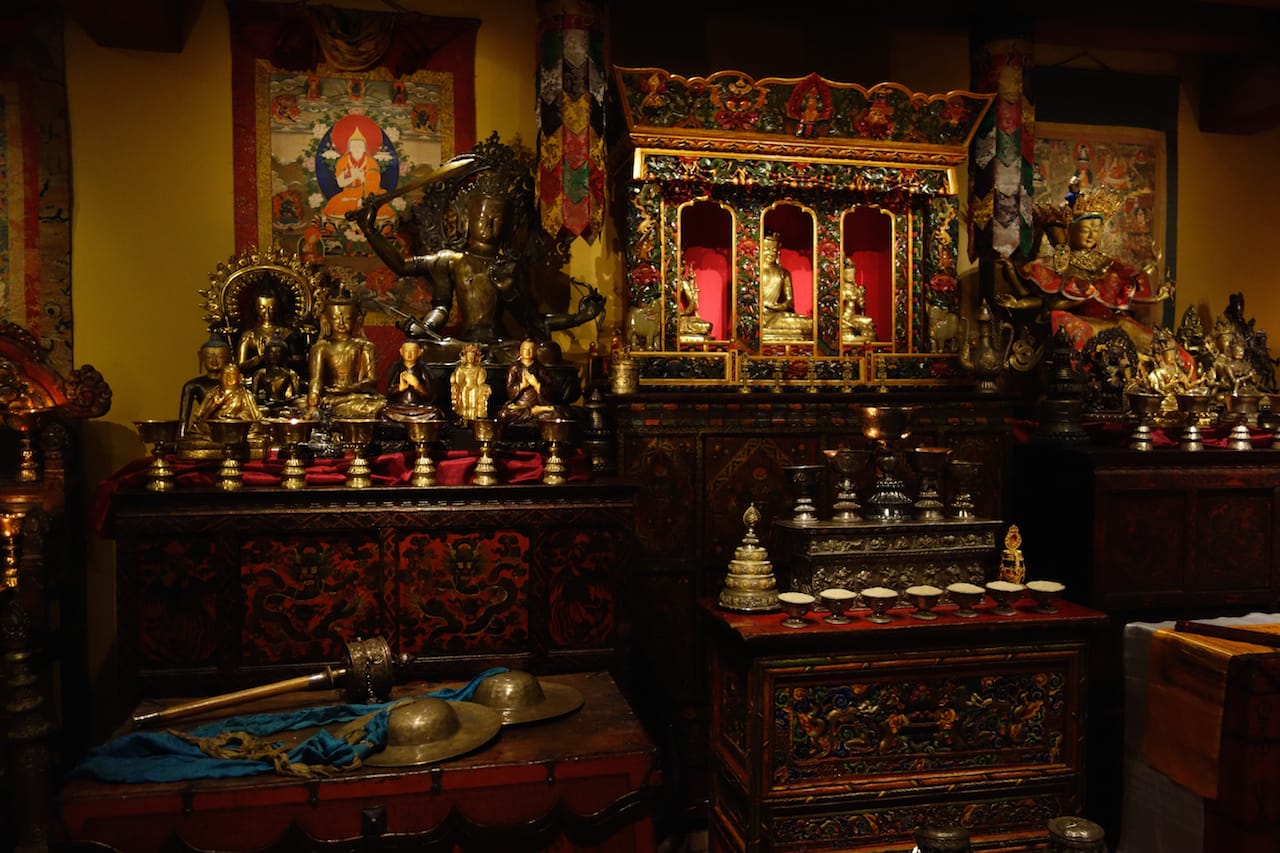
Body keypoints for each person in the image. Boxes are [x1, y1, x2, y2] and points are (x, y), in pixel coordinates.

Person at [350, 141, 605, 348]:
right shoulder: (450, 260)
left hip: (502, 346)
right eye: (483, 217)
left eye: (497, 218)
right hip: (461, 345)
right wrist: (370, 231)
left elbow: (531, 320)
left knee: (546, 353)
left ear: (508, 224)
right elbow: (420, 284)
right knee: (422, 352)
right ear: (464, 219)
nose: (490, 223)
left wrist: (578, 318)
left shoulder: (509, 266)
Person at [998, 185, 1185, 373]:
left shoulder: (1110, 265)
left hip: (1112, 321)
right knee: (1077, 334)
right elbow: (1044, 300)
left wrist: (1158, 296)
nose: (1091, 235)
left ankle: (1169, 373)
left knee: (1154, 343)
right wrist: (1019, 301)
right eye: (1085, 229)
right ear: (1070, 230)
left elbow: (1129, 293)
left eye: (1096, 229)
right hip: (1080, 321)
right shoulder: (1056, 264)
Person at [306, 293, 386, 418]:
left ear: (357, 320)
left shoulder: (365, 346)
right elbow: (316, 380)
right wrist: (314, 395)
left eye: (347, 318)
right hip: (330, 398)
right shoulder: (321, 347)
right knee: (299, 404)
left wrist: (350, 389)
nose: (341, 323)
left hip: (356, 398)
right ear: (326, 320)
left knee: (380, 405)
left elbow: (371, 380)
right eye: (335, 318)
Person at [320, 118, 393, 226]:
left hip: (367, 197)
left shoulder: (371, 162)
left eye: (360, 145)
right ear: (349, 147)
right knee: (334, 209)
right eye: (354, 145)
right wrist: (353, 177)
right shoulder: (343, 161)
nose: (357, 148)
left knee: (381, 212)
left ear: (365, 148)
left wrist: (362, 179)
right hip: (347, 196)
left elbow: (374, 185)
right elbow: (340, 183)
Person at [498, 339, 566, 428]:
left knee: (557, 414)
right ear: (520, 351)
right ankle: (533, 411)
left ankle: (538, 410)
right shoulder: (514, 368)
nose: (528, 352)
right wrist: (522, 385)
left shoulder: (540, 368)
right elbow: (509, 390)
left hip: (537, 404)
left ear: (535, 352)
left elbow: (550, 390)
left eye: (531, 349)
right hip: (520, 405)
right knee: (503, 414)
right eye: (525, 349)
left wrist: (537, 384)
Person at [759, 233, 812, 342]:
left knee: (811, 323)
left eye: (773, 250)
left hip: (778, 314)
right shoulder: (754, 272)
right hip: (761, 317)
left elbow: (790, 301)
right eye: (766, 249)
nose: (770, 253)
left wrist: (781, 306)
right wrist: (765, 304)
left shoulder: (784, 273)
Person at [178, 333, 234, 438]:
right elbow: (183, 418)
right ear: (201, 357)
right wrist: (180, 439)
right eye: (209, 356)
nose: (214, 361)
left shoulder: (235, 385)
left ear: (229, 358)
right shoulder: (193, 385)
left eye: (220, 357)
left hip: (229, 428)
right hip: (204, 429)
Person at [236, 287, 301, 377]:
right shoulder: (249, 335)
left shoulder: (287, 333)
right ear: (256, 309)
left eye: (271, 308)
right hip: (254, 377)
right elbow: (240, 366)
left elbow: (298, 362)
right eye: (262, 308)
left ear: (277, 308)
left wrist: (280, 358)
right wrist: (260, 358)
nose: (267, 312)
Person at [384, 339, 440, 415]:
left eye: (413, 351)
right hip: (399, 407)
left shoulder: (423, 368)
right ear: (401, 351)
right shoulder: (397, 367)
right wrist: (399, 387)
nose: (409, 354)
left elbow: (431, 395)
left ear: (420, 352)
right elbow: (388, 393)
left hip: (419, 408)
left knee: (434, 413)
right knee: (385, 412)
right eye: (406, 351)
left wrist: (417, 385)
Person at [251, 338, 302, 410]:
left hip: (284, 406)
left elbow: (297, 396)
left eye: (278, 352)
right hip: (265, 405)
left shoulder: (291, 374)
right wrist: (262, 401)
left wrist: (282, 402)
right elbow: (254, 395)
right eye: (271, 352)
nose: (274, 355)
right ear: (266, 354)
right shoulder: (259, 374)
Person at [450, 343, 491, 425]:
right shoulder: (461, 369)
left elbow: (481, 381)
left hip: (475, 387)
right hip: (464, 388)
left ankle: (473, 420)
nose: (471, 358)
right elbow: (459, 380)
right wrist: (457, 385)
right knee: (465, 405)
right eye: (469, 356)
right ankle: (464, 420)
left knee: (473, 404)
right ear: (465, 357)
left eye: (472, 356)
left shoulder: (479, 369)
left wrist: (483, 386)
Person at [839, 264, 877, 343]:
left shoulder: (855, 289)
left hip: (852, 316)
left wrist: (861, 296)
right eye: (848, 273)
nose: (851, 276)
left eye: (852, 273)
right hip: (844, 318)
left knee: (869, 321)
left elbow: (861, 304)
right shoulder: (841, 290)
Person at [676, 262, 713, 341]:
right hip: (670, 319)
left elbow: (693, 306)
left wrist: (691, 285)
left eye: (681, 267)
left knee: (707, 325)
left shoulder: (683, 283)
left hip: (683, 318)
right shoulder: (665, 283)